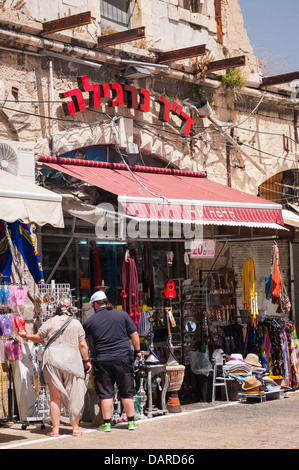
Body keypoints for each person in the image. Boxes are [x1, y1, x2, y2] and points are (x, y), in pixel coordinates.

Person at [18, 301, 92, 437]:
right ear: (70, 310)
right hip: (72, 362)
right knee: (74, 395)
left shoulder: (50, 322)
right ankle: (75, 428)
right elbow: (83, 345)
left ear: (56, 310)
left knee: (55, 397)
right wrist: (87, 361)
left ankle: (56, 430)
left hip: (53, 361)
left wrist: (25, 335)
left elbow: (38, 338)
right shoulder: (76, 323)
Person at [83, 290, 141, 432]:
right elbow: (134, 333)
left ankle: (107, 424)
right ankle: (131, 422)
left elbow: (81, 340)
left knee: (106, 393)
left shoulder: (91, 321)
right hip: (123, 359)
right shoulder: (121, 314)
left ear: (96, 304)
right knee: (127, 391)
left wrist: (86, 359)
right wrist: (138, 352)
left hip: (103, 361)